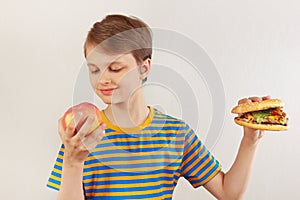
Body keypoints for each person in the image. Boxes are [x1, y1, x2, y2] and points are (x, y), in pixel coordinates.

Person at [47, 14, 271, 200]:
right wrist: (73, 162)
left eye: (115, 68)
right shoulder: (82, 135)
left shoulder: (176, 134)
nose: (102, 79)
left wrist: (250, 140)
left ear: (144, 68)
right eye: (94, 69)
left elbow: (228, 192)